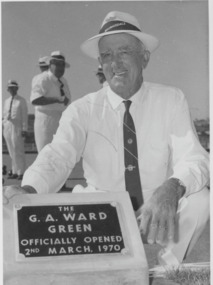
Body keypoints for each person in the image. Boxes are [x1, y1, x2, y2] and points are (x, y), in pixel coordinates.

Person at [4, 11, 209, 266]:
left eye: (124, 52)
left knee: (202, 200)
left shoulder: (171, 99)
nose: (115, 63)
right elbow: (57, 155)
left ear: (144, 57)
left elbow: (194, 157)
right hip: (100, 213)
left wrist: (172, 187)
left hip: (157, 213)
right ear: (100, 62)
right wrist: (28, 189)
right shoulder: (82, 109)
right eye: (107, 55)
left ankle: (166, 270)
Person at [30, 51, 71, 152]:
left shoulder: (64, 81)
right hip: (46, 120)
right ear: (51, 64)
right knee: (45, 154)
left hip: (61, 119)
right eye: (57, 65)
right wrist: (57, 99)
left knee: (60, 155)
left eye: (63, 65)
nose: (61, 68)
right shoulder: (42, 78)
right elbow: (35, 100)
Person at [2, 80, 28, 180]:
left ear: (17, 88)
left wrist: (24, 129)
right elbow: (4, 115)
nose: (12, 89)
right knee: (11, 150)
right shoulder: (6, 101)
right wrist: (3, 124)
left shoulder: (21, 100)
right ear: (8, 89)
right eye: (10, 88)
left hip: (17, 126)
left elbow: (24, 115)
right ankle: (14, 171)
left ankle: (21, 172)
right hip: (8, 126)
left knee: (18, 150)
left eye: (14, 87)